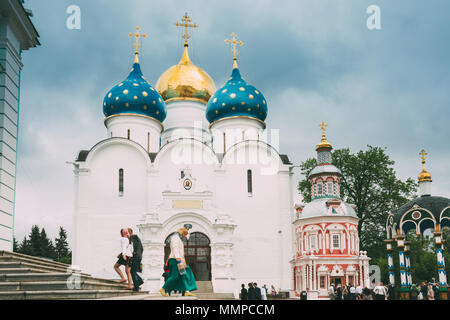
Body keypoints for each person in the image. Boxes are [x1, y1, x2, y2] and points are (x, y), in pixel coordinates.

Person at [159, 228, 197, 297]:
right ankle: (163, 289)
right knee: (175, 276)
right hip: (175, 260)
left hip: (178, 260)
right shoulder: (175, 238)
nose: (184, 236)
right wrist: (179, 260)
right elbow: (175, 248)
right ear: (182, 233)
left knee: (183, 274)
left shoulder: (177, 238)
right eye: (185, 234)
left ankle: (186, 291)